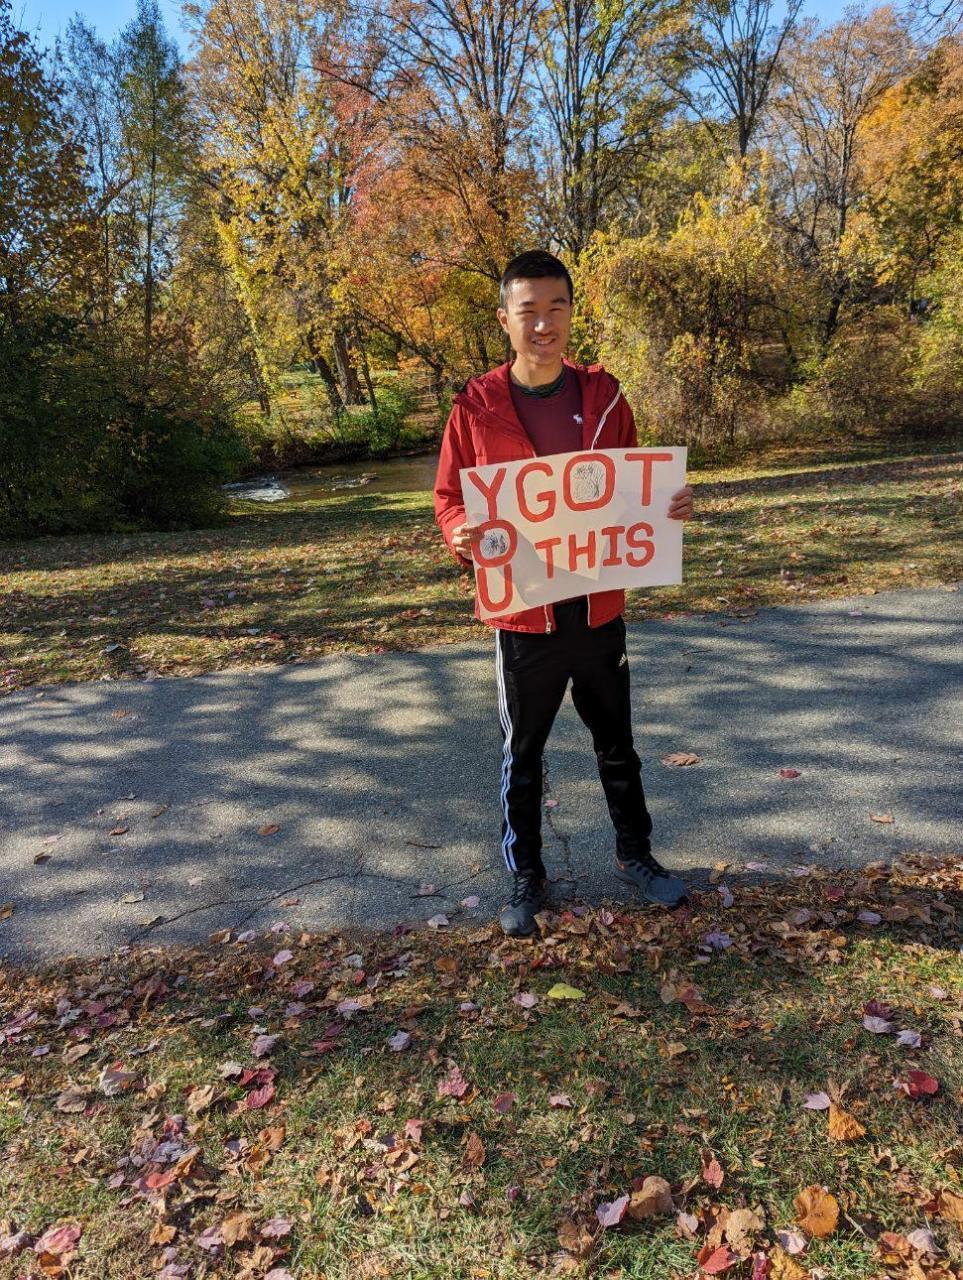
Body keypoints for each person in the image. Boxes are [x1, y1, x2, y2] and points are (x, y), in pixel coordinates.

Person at [433, 249, 695, 937]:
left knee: (618, 745)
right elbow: (449, 497)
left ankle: (636, 857)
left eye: (556, 308)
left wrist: (667, 504)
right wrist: (460, 532)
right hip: (523, 613)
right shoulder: (476, 406)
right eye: (529, 311)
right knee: (522, 756)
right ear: (505, 320)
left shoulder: (605, 398)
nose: (543, 324)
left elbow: (636, 485)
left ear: (571, 313)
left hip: (598, 605)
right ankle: (527, 876)